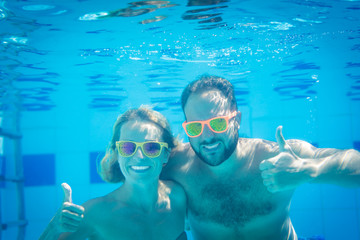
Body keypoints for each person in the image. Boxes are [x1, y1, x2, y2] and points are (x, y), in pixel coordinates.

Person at [161, 75, 360, 240]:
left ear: (236, 120)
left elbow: (355, 162)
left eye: (218, 123)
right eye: (195, 127)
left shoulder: (277, 157)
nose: (208, 136)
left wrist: (307, 170)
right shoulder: (176, 166)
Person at [39, 107, 187, 240]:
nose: (139, 157)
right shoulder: (95, 213)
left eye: (151, 147)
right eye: (128, 148)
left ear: (166, 154)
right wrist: (53, 229)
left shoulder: (179, 197)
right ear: (117, 154)